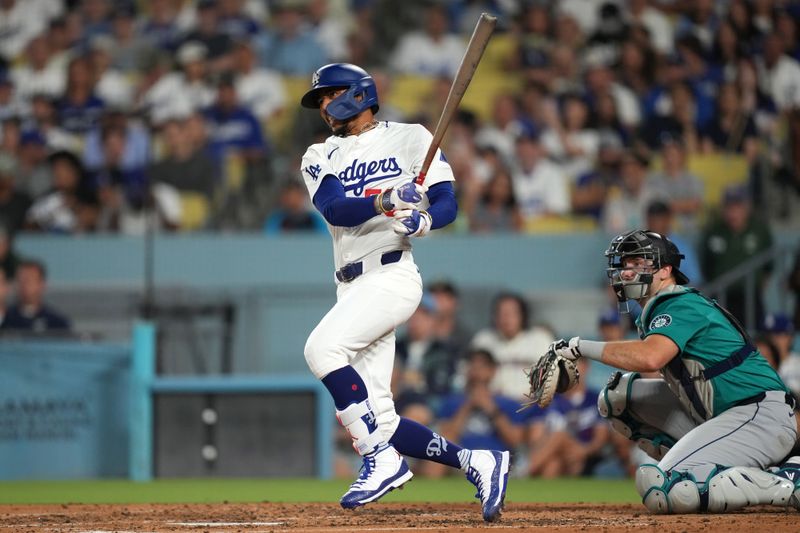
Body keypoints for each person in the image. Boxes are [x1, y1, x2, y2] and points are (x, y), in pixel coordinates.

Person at [298, 63, 509, 521]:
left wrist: (426, 219)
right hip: (351, 286)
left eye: (329, 96)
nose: (324, 106)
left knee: (321, 349)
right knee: (383, 419)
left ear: (357, 94)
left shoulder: (412, 137)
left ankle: (381, 460)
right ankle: (478, 461)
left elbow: (447, 199)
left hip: (392, 276)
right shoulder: (320, 154)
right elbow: (336, 208)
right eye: (320, 100)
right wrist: (385, 200)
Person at [544, 229, 800, 514]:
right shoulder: (657, 310)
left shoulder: (679, 302)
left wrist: (578, 347)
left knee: (661, 489)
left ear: (665, 270)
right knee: (619, 396)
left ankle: (787, 481)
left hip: (756, 415)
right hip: (724, 415)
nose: (627, 272)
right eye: (624, 265)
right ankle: (699, 469)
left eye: (638, 263)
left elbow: (651, 357)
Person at [429, 349, 526, 477]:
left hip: (496, 463)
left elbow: (515, 441)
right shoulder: (452, 402)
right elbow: (444, 438)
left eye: (482, 367)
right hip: (461, 463)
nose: (476, 371)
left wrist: (491, 408)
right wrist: (467, 407)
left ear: (493, 371)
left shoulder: (508, 403)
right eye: (472, 366)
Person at [2, 259, 70, 333]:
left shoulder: (57, 323)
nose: (23, 285)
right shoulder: (5, 318)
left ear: (42, 284)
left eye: (28, 281)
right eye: (20, 280)